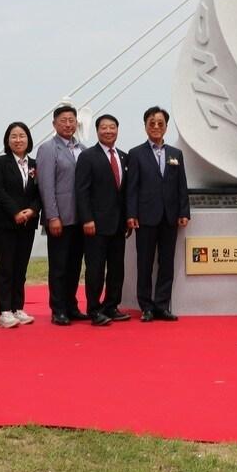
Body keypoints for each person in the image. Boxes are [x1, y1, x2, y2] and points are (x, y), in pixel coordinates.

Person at [124, 106, 190, 322]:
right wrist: (131, 214)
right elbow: (131, 187)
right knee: (144, 263)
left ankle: (162, 305)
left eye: (160, 123)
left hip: (170, 217)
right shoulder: (136, 154)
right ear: (145, 126)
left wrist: (184, 211)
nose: (156, 127)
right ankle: (146, 307)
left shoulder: (175, 154)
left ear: (166, 127)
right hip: (145, 217)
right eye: (151, 123)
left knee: (166, 263)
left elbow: (181, 185)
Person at [75, 114, 130, 326]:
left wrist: (128, 218)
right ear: (97, 131)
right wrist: (87, 219)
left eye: (112, 127)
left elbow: (125, 192)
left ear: (117, 130)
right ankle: (94, 309)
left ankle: (111, 306)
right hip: (95, 225)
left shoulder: (123, 157)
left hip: (118, 225)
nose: (108, 131)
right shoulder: (87, 156)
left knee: (116, 269)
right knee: (95, 269)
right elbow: (82, 191)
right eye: (104, 127)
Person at [37, 104, 87, 325]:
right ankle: (58, 309)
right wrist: (52, 216)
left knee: (75, 265)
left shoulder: (83, 148)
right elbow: (46, 186)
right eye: (63, 121)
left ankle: (71, 305)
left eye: (71, 120)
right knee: (59, 266)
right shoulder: (48, 149)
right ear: (54, 124)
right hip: (60, 218)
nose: (68, 124)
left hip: (81, 218)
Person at [0, 121, 41, 329]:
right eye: (14, 136)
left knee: (21, 267)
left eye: (22, 136)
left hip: (27, 223)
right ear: (7, 140)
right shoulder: (0, 162)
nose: (18, 140)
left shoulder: (35, 164)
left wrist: (33, 210)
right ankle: (4, 311)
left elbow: (40, 192)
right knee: (5, 267)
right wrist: (15, 212)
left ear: (28, 139)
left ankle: (17, 306)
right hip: (5, 224)